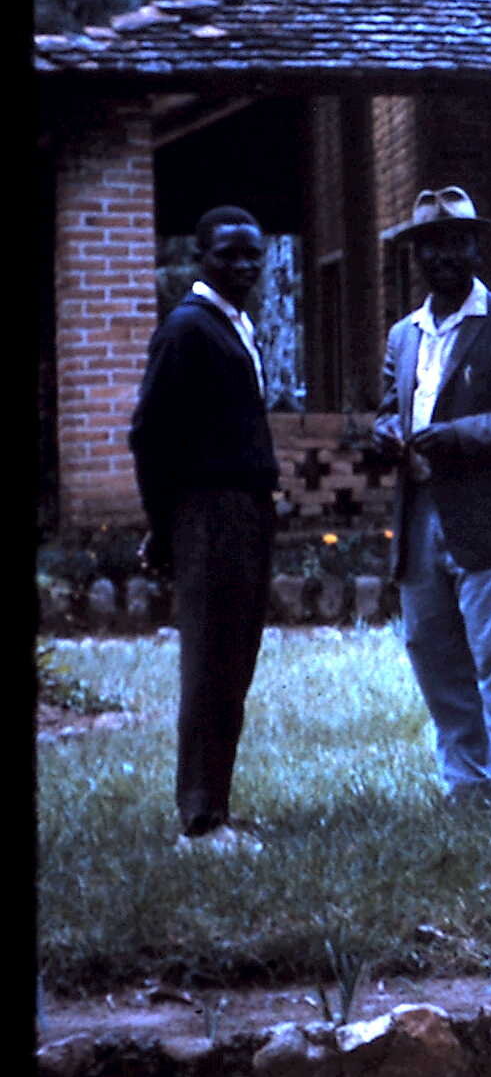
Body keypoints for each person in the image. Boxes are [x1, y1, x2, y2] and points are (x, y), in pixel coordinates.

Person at [375, 187, 491, 811]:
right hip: (420, 512)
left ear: (476, 247)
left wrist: (458, 436)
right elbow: (388, 408)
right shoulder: (405, 336)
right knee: (432, 652)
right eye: (430, 246)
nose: (443, 257)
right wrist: (386, 433)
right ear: (415, 257)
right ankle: (466, 780)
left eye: (455, 242)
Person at [131, 205, 280, 852]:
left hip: (244, 510)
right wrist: (164, 526)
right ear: (200, 257)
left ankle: (217, 807)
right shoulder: (188, 330)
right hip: (208, 514)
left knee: (234, 661)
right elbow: (148, 435)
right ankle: (198, 819)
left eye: (253, 254)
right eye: (229, 254)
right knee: (210, 661)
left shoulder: (232, 326)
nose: (243, 265)